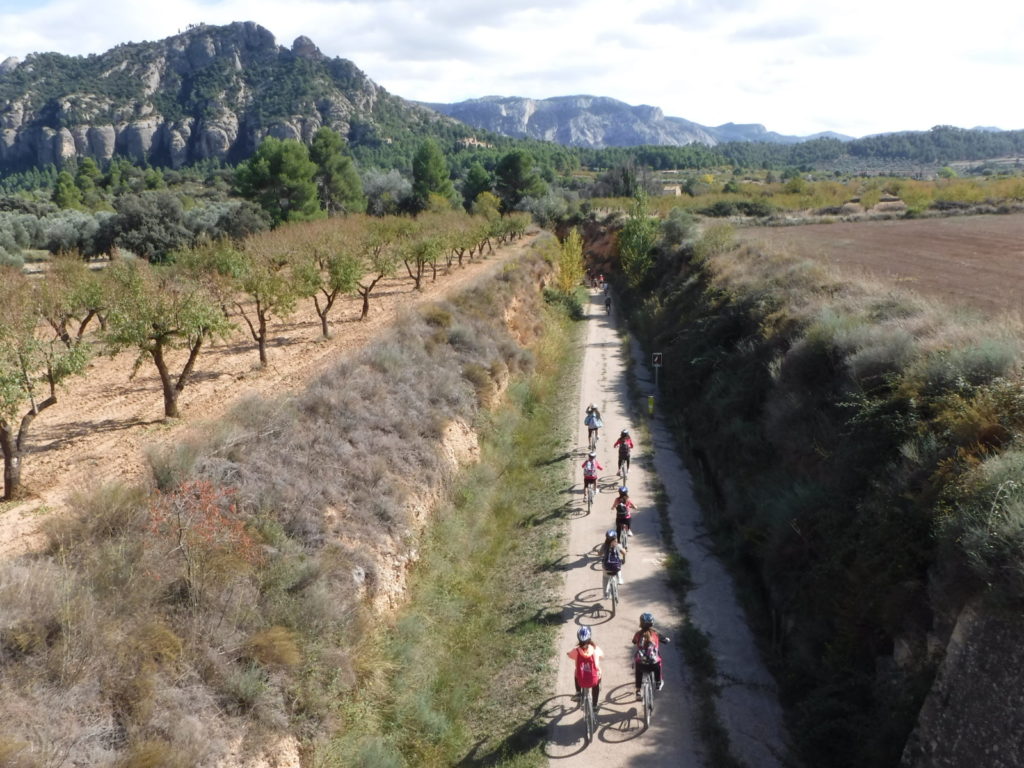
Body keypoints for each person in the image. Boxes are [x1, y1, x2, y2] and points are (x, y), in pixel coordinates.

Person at [567, 626, 603, 710]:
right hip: (593, 680)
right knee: (598, 675)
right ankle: (594, 705)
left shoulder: (576, 650)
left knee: (576, 671)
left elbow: (570, 655)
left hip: (581, 680)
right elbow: (602, 656)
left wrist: (568, 653)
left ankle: (578, 693)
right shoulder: (595, 649)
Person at [632, 612, 666, 698]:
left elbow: (634, 641)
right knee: (659, 662)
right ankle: (658, 682)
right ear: (652, 623)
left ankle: (638, 691)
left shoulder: (638, 634)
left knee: (638, 668)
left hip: (641, 664)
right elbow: (665, 640)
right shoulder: (656, 634)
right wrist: (666, 640)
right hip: (653, 665)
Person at [599, 528, 626, 595]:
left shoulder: (604, 545)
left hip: (606, 567)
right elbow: (624, 553)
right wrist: (624, 559)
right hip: (616, 567)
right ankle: (619, 578)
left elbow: (599, 554)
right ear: (615, 538)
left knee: (605, 578)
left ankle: (605, 595)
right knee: (619, 564)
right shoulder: (617, 545)